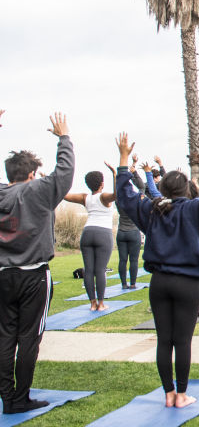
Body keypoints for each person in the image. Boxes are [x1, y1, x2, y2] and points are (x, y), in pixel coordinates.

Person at [115, 132, 199, 409]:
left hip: (160, 282)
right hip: (187, 284)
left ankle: (168, 394)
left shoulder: (152, 211)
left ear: (163, 189)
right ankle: (181, 395)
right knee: (183, 340)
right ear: (186, 191)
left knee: (164, 339)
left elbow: (125, 196)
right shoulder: (194, 210)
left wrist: (123, 161)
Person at [0, 112, 73, 414]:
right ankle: (20, 398)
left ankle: (8, 398)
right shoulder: (40, 191)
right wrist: (64, 138)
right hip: (33, 277)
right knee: (28, 339)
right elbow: (65, 173)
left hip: (3, 276)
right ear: (31, 174)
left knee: (5, 336)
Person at [64, 168, 119, 311]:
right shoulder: (103, 197)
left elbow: (65, 196)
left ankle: (92, 304)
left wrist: (52, 181)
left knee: (89, 270)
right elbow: (116, 194)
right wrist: (114, 175)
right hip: (103, 233)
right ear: (102, 184)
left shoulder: (85, 197)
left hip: (87, 233)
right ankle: (101, 304)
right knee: (100, 270)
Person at [104, 158, 157, 289]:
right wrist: (133, 170)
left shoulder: (120, 201)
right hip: (133, 233)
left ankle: (123, 284)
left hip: (121, 232)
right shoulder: (136, 202)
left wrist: (115, 174)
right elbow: (141, 186)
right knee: (133, 260)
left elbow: (118, 190)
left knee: (123, 260)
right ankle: (133, 284)